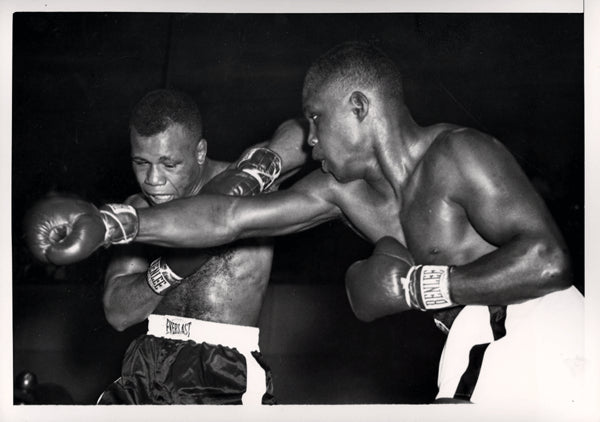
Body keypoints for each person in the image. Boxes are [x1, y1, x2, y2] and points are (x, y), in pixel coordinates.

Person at [26, 43, 584, 407]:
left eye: (318, 119)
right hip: (472, 338)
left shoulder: (459, 153)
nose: (311, 139)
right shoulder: (340, 193)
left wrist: (419, 288)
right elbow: (228, 215)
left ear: (360, 107)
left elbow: (550, 262)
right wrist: (114, 223)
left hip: (537, 325)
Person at [27, 89, 308, 405]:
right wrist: (171, 269)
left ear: (199, 152)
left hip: (224, 370)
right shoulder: (134, 212)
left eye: (168, 164)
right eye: (141, 163)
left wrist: (254, 173)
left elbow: (305, 130)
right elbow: (118, 312)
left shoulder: (245, 192)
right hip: (147, 364)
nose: (153, 180)